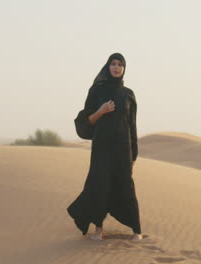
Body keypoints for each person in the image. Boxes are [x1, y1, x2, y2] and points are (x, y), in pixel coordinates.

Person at [67, 53, 142, 241]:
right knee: (100, 186)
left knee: (126, 186)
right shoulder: (96, 91)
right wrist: (101, 111)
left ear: (124, 68)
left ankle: (137, 230)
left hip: (123, 148)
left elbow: (132, 125)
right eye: (113, 64)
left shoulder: (128, 94)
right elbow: (85, 122)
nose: (116, 67)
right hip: (102, 148)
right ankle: (98, 229)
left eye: (120, 64)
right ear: (107, 66)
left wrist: (133, 153)